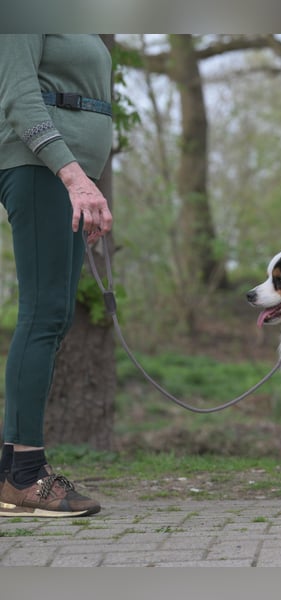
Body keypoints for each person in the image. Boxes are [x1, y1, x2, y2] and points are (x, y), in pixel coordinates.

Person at [0, 34, 114, 517]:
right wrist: (74, 178)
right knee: (43, 315)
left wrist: (82, 182)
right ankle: (26, 475)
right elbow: (20, 99)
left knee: (55, 316)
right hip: (40, 169)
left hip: (64, 179)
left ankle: (11, 469)